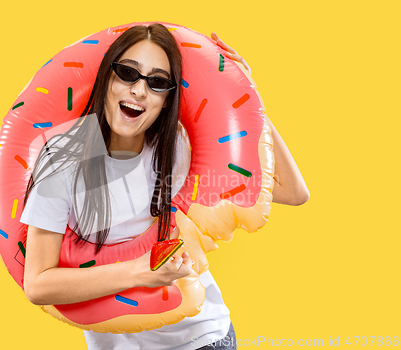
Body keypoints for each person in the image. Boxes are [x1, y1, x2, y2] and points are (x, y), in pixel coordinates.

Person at [20, 23, 309, 350]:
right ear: (107, 78)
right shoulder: (62, 159)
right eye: (127, 73)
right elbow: (38, 283)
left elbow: (292, 191)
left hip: (201, 339)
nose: (139, 91)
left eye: (157, 82)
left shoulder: (177, 149)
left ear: (166, 100)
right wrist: (139, 272)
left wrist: (248, 99)